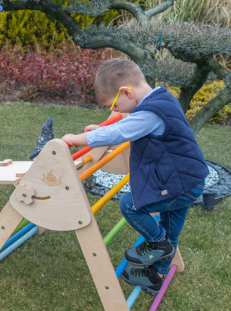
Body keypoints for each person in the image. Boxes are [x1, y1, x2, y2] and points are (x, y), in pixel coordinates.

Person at [62, 59, 209, 296]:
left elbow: (121, 132)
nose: (116, 111)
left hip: (179, 184)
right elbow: (126, 124)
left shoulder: (151, 113)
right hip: (189, 179)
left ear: (127, 92)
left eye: (115, 106)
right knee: (171, 230)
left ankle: (158, 243)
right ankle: (154, 275)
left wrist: (77, 139)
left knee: (130, 205)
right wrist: (100, 130)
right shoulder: (161, 99)